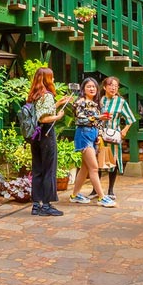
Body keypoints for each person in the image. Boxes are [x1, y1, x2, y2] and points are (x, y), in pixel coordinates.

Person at [27, 68, 70, 216]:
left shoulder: (34, 95)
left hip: (35, 135)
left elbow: (40, 111)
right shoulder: (47, 95)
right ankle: (46, 205)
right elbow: (44, 118)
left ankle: (35, 205)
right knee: (49, 169)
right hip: (46, 134)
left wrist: (57, 103)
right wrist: (58, 116)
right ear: (47, 79)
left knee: (37, 169)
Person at [68, 77, 116, 207]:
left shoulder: (95, 104)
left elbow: (99, 123)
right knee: (94, 168)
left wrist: (99, 136)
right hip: (83, 135)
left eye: (94, 86)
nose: (92, 89)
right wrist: (97, 117)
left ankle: (74, 195)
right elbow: (80, 120)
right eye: (89, 86)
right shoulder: (80, 102)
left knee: (85, 168)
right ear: (83, 88)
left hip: (93, 136)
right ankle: (102, 197)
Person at [98, 77, 136, 198]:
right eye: (110, 85)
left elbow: (130, 118)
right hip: (99, 134)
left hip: (113, 135)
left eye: (116, 86)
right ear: (104, 87)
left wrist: (124, 130)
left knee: (113, 160)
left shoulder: (120, 102)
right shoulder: (99, 100)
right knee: (97, 160)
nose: (113, 88)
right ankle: (96, 189)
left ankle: (110, 190)